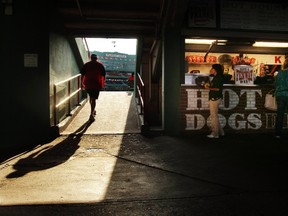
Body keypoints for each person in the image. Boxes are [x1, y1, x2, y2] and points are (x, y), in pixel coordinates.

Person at [80, 54, 106, 121]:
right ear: (96, 58)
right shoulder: (100, 65)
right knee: (93, 99)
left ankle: (92, 110)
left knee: (91, 97)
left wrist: (82, 83)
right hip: (96, 84)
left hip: (88, 84)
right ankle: (91, 114)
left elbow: (82, 75)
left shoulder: (86, 65)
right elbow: (103, 76)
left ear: (91, 58)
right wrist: (102, 84)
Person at [205, 64, 225, 138]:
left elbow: (217, 89)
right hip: (215, 98)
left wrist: (208, 89)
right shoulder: (216, 77)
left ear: (215, 70)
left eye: (212, 68)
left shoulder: (218, 78)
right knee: (215, 116)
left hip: (215, 99)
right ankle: (221, 132)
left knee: (213, 116)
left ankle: (215, 134)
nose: (211, 70)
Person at [274, 58, 288, 139]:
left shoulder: (278, 73)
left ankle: (278, 134)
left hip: (280, 95)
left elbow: (275, 84)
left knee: (280, 115)